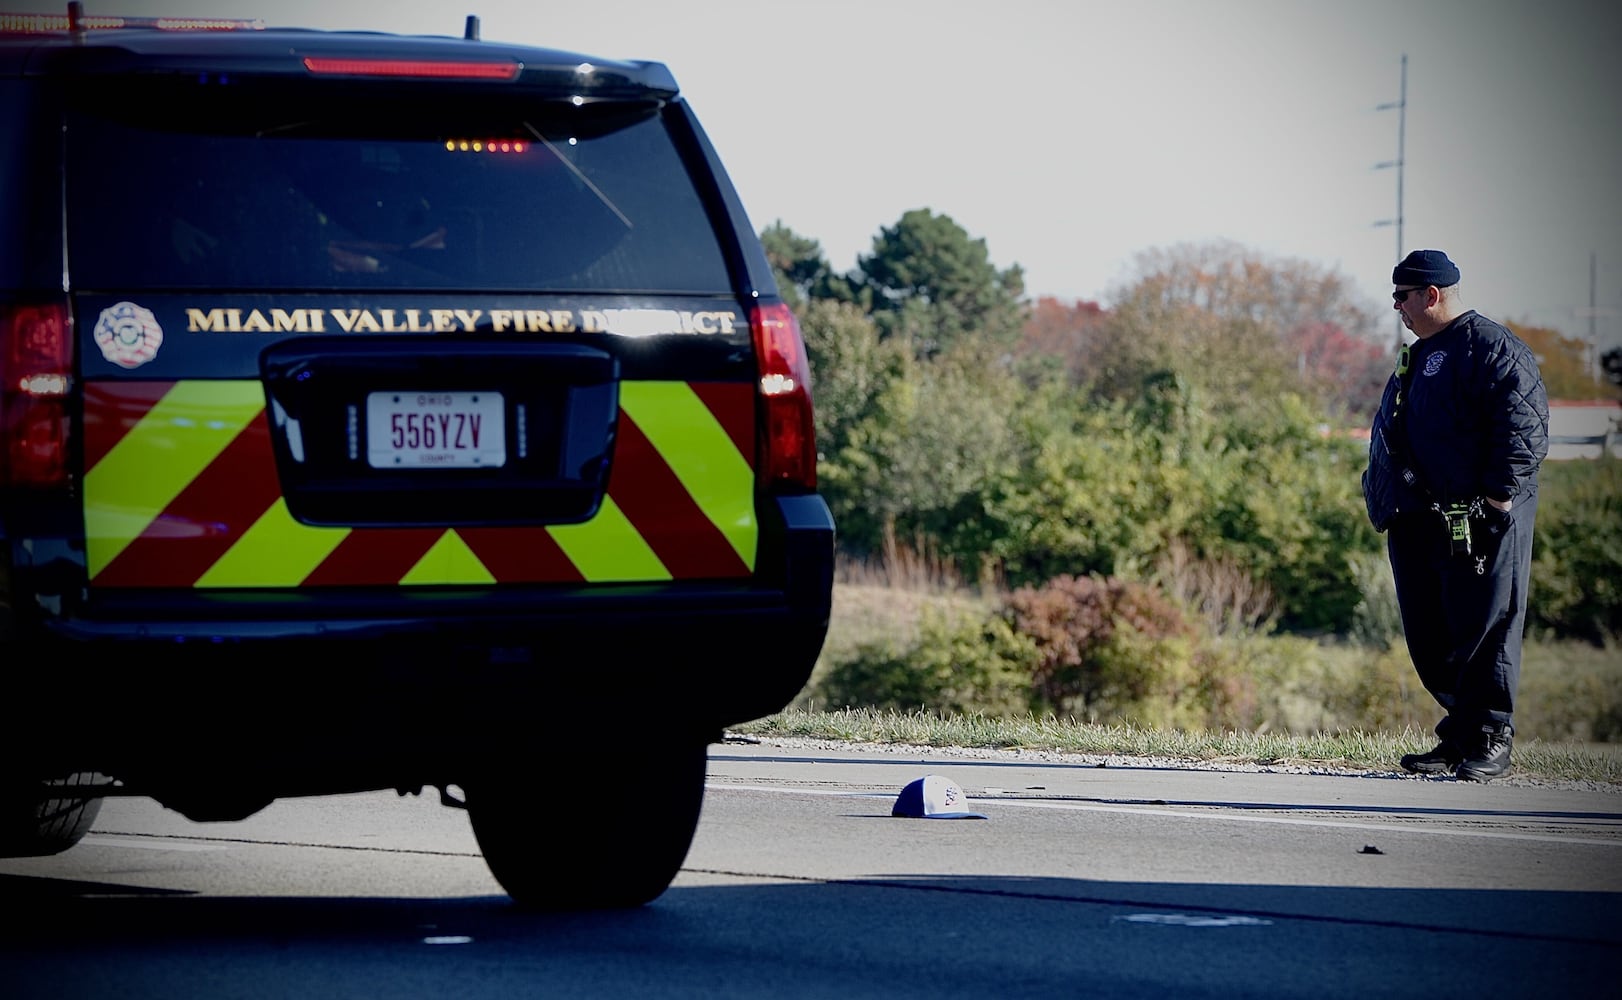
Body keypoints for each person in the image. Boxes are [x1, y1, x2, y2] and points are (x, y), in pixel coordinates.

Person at [1361, 249, 1549, 782]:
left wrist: (1496, 501)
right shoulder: (1418, 355)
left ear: (1431, 295)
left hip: (1483, 517)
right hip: (1421, 516)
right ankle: (1461, 733)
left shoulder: (1492, 348)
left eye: (1401, 297)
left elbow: (1524, 428)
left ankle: (1491, 736)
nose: (1397, 307)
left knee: (1485, 626)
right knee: (1431, 631)